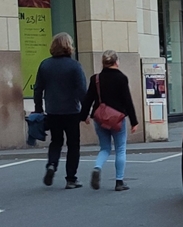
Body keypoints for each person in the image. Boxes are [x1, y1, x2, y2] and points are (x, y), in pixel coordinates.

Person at [34, 32, 87, 189]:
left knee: (56, 141)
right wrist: (85, 112)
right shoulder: (75, 66)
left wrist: (38, 109)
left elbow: (38, 89)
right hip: (71, 111)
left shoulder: (45, 65)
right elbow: (82, 90)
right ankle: (71, 178)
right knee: (73, 144)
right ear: (69, 46)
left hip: (53, 110)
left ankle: (51, 164)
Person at [80, 50, 139, 191]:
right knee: (120, 149)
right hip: (117, 119)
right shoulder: (121, 78)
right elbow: (127, 100)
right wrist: (134, 121)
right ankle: (119, 181)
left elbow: (88, 98)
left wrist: (84, 115)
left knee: (105, 148)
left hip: (100, 118)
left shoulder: (96, 79)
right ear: (116, 61)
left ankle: (97, 167)